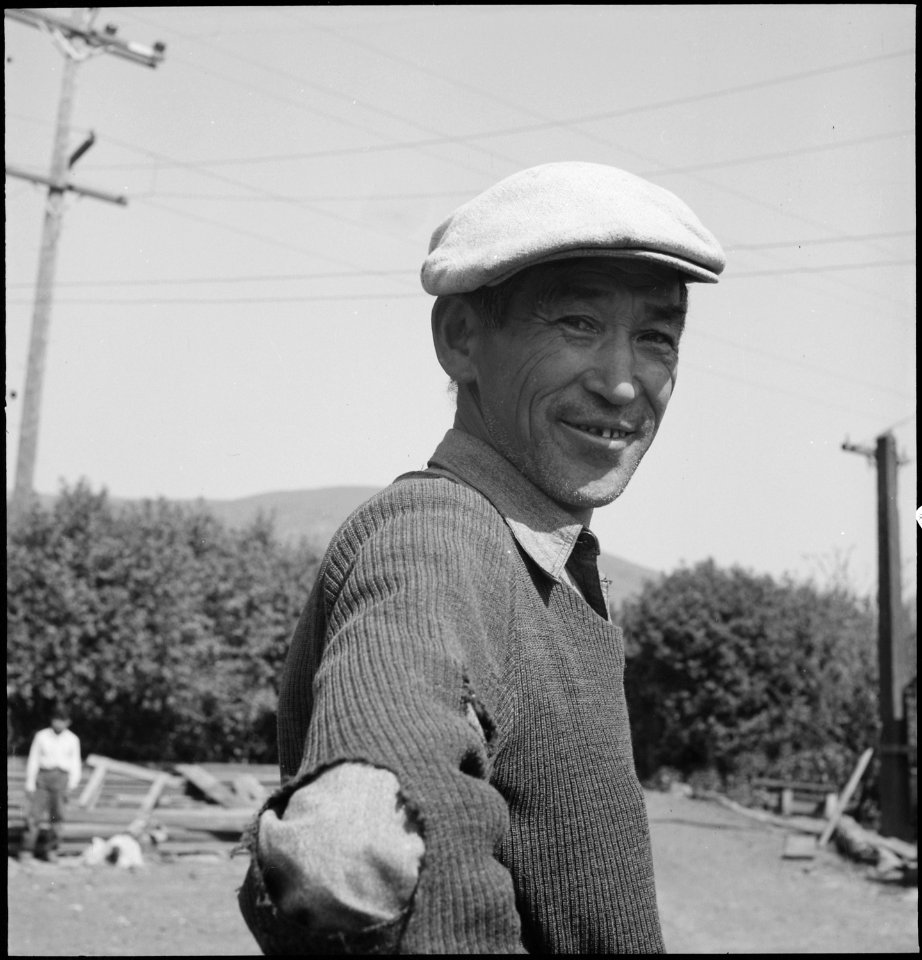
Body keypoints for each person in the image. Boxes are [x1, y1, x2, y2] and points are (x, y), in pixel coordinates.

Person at [238, 161, 725, 953]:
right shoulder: (437, 535)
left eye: (655, 337)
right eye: (576, 324)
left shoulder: (543, 560)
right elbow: (346, 850)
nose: (623, 384)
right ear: (461, 339)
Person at [20, 705, 82, 863]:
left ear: (68, 722)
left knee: (57, 817)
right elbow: (33, 759)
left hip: (61, 780)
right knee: (34, 816)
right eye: (56, 719)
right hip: (43, 779)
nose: (59, 724)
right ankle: (27, 850)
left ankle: (51, 850)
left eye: (63, 720)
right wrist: (30, 783)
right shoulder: (42, 736)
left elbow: (75, 763)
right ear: (51, 720)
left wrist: (72, 785)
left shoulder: (72, 739)